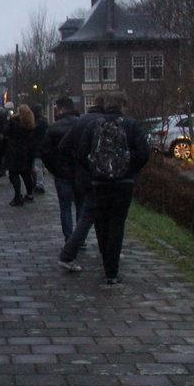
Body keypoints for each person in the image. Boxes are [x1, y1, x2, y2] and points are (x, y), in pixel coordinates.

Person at [67, 91, 150, 284]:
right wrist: (129, 169)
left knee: (101, 223)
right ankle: (111, 271)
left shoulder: (93, 125)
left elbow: (80, 153)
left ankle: (106, 261)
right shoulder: (130, 125)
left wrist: (94, 170)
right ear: (122, 105)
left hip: (99, 182)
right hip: (123, 183)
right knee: (117, 224)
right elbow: (144, 153)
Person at [56, 94, 106, 272]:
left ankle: (71, 247)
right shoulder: (106, 123)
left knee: (84, 213)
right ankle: (74, 251)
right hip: (103, 177)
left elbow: (63, 147)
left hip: (81, 176)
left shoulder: (81, 122)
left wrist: (76, 167)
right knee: (94, 215)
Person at [40, 97, 81, 241]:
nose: (56, 112)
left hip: (62, 173)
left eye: (57, 109)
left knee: (65, 207)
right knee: (81, 207)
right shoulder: (83, 125)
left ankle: (69, 238)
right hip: (80, 173)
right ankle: (80, 238)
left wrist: (54, 169)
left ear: (62, 109)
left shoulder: (54, 128)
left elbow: (45, 152)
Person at [1, 104, 37, 206]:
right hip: (26, 151)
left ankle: (17, 196)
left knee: (13, 174)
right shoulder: (30, 123)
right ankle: (29, 193)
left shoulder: (14, 122)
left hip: (14, 151)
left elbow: (5, 132)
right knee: (26, 174)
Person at [30, 103, 48, 194]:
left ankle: (39, 185)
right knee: (37, 167)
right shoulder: (42, 120)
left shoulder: (39, 122)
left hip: (37, 147)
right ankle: (38, 184)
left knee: (37, 167)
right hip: (39, 146)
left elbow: (34, 134)